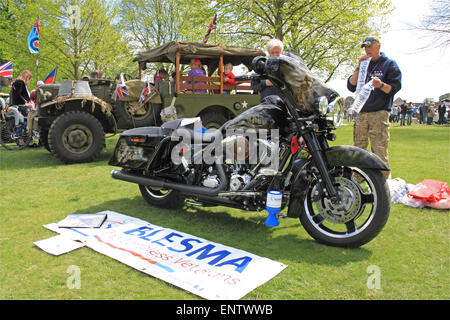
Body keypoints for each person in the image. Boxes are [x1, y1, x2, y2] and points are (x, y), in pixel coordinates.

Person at [347, 36, 402, 179]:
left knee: (379, 148)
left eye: (369, 46)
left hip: (379, 113)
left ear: (378, 46)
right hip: (361, 113)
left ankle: (384, 183)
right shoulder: (364, 65)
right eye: (365, 47)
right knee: (358, 148)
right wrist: (358, 68)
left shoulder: (389, 64)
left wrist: (381, 85)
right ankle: (356, 181)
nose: (367, 50)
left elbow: (394, 88)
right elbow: (351, 86)